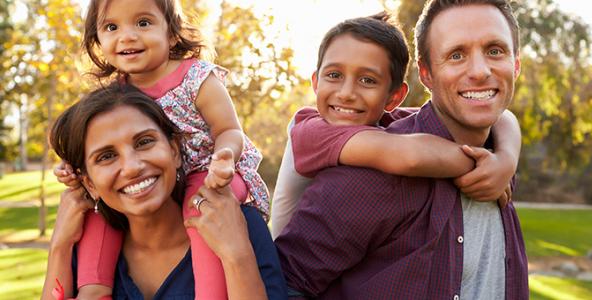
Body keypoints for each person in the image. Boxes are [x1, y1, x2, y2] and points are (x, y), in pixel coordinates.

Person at [274, 0, 528, 299]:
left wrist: (505, 159)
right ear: (426, 74)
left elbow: (505, 118)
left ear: (516, 64)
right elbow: (284, 286)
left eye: (494, 51)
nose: (480, 71)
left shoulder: (498, 156)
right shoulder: (369, 171)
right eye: (456, 55)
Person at [53, 0, 269, 298]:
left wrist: (224, 158)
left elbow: (230, 130)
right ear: (98, 41)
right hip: (167, 182)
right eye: (112, 27)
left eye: (143, 23)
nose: (127, 36)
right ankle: (93, 289)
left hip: (210, 173)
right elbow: (89, 143)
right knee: (98, 213)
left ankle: (209, 292)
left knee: (200, 212)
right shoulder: (117, 93)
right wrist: (69, 168)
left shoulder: (196, 78)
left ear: (171, 33)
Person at [41, 84, 287, 300]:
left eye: (144, 142)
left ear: (175, 151)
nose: (132, 167)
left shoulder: (239, 224)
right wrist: (60, 246)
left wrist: (236, 256)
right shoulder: (85, 251)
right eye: (107, 156)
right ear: (90, 184)